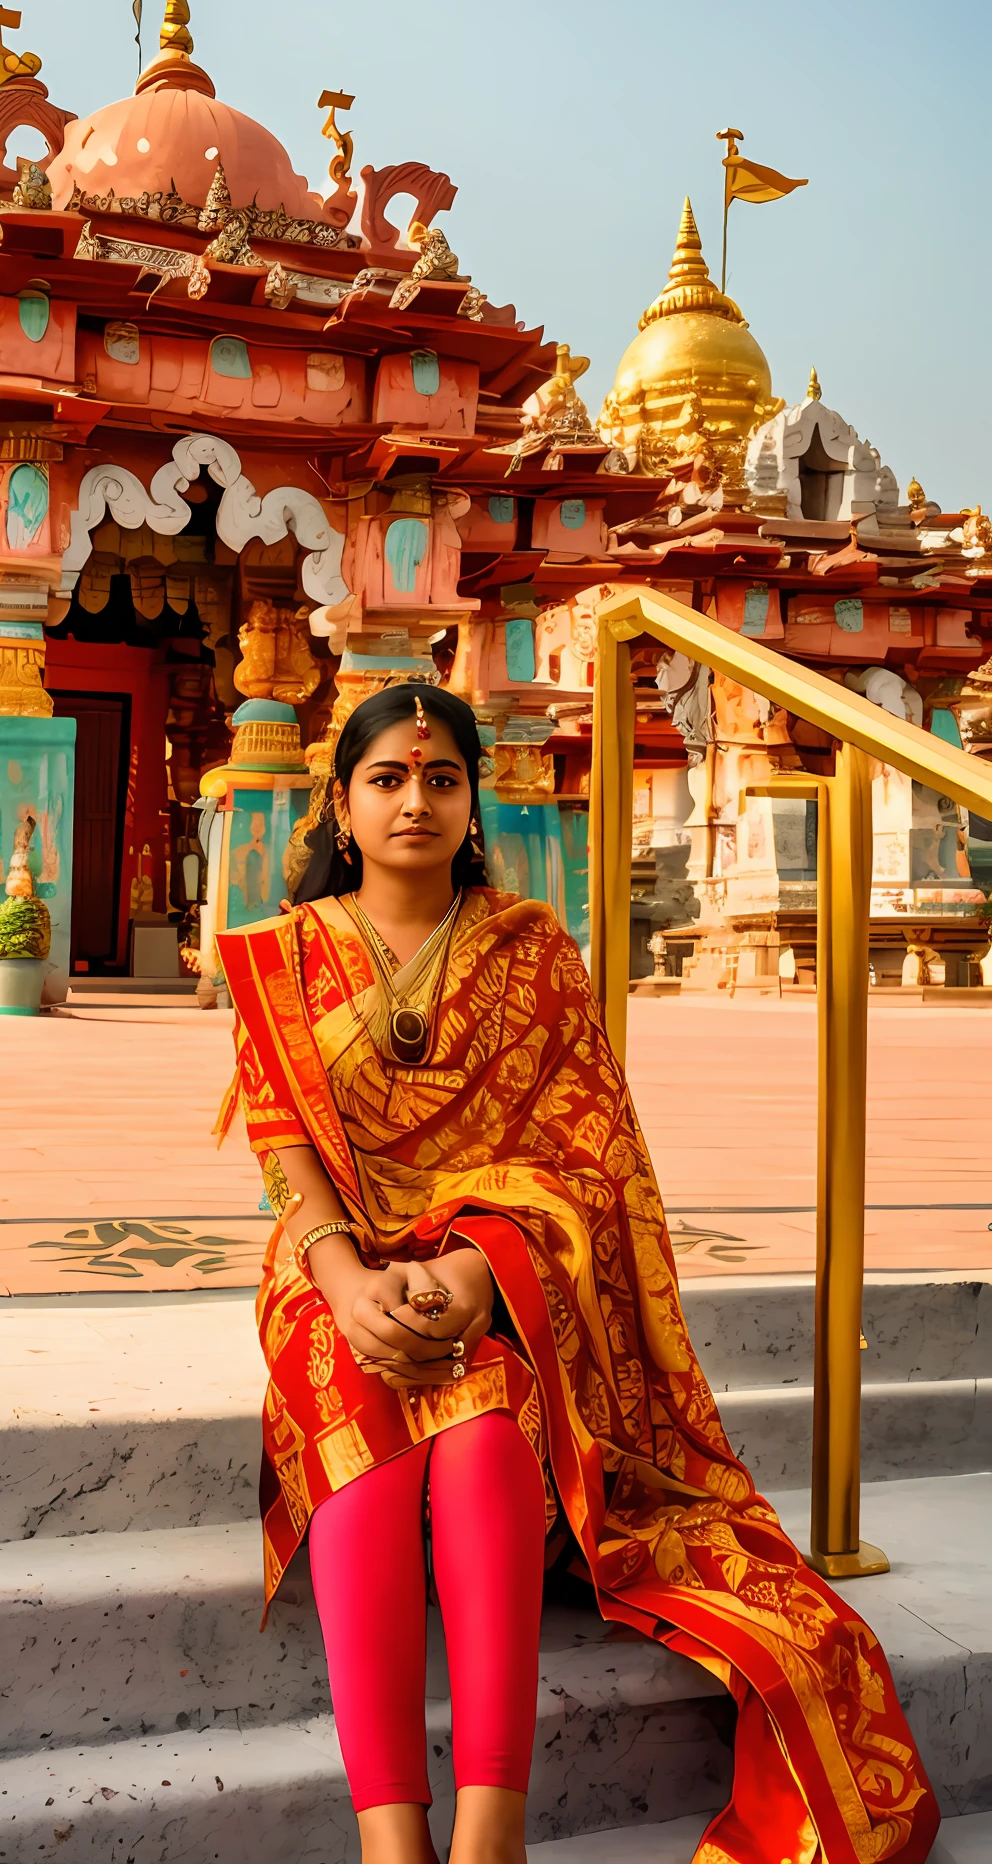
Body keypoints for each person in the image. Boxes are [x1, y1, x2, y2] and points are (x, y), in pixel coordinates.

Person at [216, 682, 936, 1864]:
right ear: (340, 804)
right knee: (360, 1408)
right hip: (331, 1258)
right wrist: (348, 1285)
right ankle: (389, 1838)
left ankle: (493, 1828)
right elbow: (287, 1159)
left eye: (441, 776)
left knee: (490, 1424)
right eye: (388, 777)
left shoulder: (531, 947)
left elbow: (588, 1154)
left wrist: (479, 1270)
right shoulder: (279, 956)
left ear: (470, 800)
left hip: (502, 1263)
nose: (415, 799)